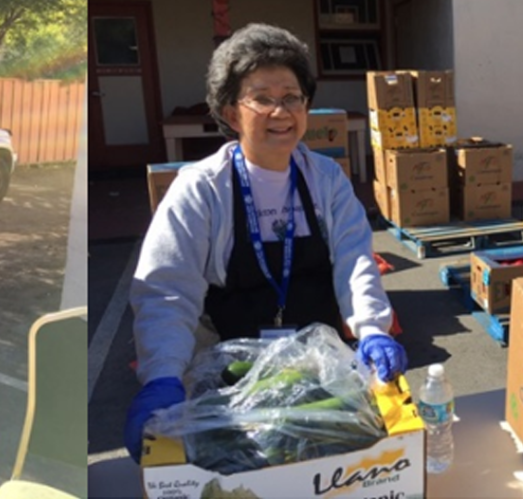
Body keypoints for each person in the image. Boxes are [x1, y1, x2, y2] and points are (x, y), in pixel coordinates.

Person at [123, 23, 407, 462]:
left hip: (319, 378)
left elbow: (354, 261)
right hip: (228, 388)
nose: (281, 112)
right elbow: (167, 289)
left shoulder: (326, 179)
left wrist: (372, 329)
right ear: (232, 112)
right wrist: (163, 376)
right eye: (263, 98)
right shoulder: (200, 189)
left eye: (292, 97)